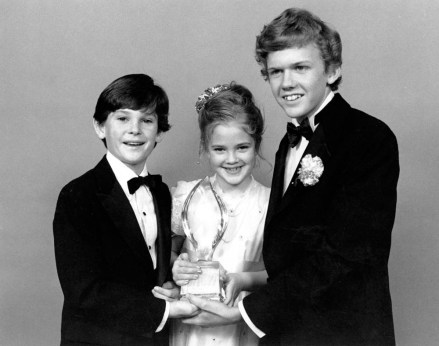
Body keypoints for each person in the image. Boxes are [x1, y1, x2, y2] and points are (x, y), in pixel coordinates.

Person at [182, 8, 400, 346]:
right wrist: (245, 279)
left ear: (333, 70)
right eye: (275, 72)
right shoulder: (290, 142)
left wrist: (245, 312)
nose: (286, 83)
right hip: (286, 331)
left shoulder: (368, 137)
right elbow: (294, 252)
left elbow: (347, 257)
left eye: (300, 67)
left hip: (342, 335)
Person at [53, 74, 197, 345]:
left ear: (161, 131)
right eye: (122, 118)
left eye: (147, 120)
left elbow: (153, 267)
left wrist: (171, 286)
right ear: (99, 127)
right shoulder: (78, 196)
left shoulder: (162, 193)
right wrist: (165, 310)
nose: (135, 129)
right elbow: (84, 292)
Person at [166, 82, 270, 345]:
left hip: (241, 323)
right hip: (191, 324)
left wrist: (243, 280)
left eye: (242, 147)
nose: (231, 159)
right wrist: (175, 265)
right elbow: (167, 249)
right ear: (205, 147)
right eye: (220, 149)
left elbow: (283, 273)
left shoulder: (271, 203)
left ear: (256, 144)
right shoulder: (186, 196)